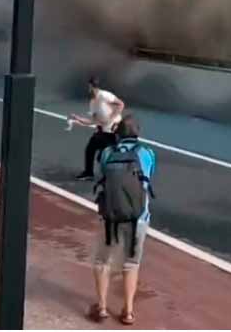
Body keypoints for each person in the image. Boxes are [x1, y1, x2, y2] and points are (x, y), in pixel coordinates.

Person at [88, 116, 155, 327]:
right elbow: (148, 180)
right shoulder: (147, 153)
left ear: (118, 134)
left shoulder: (107, 153)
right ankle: (128, 311)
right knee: (131, 263)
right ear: (137, 134)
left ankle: (101, 307)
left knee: (102, 261)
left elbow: (99, 179)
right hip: (138, 217)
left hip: (109, 217)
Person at [69, 77, 126, 181]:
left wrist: (111, 118)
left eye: (89, 86)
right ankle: (88, 173)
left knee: (104, 156)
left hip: (114, 131)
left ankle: (116, 176)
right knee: (90, 148)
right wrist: (78, 119)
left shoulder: (104, 95)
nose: (88, 89)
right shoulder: (92, 103)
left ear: (91, 86)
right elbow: (93, 121)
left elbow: (121, 104)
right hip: (103, 132)